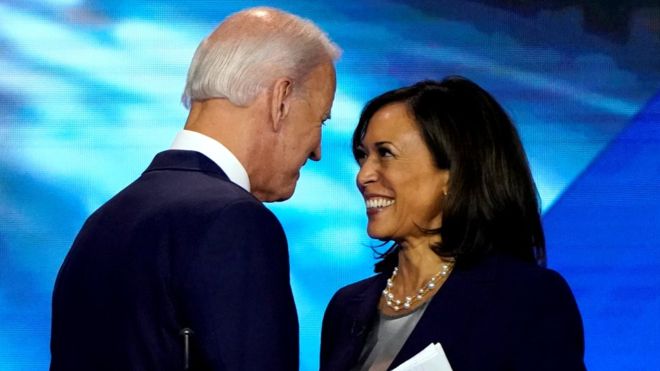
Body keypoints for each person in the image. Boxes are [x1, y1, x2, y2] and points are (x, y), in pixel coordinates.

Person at [50, 7, 339, 371]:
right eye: (320, 120)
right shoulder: (233, 222)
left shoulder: (104, 220)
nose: (317, 150)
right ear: (280, 100)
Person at [320, 76, 585, 371]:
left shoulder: (525, 299)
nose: (363, 175)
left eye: (385, 154)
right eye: (362, 156)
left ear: (453, 172)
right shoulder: (346, 308)